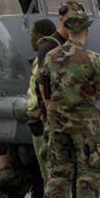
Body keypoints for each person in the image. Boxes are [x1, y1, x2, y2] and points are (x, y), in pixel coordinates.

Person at [39, 9, 100, 198]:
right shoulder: (93, 59)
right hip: (84, 125)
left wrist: (54, 106)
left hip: (57, 122)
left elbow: (42, 87)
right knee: (88, 169)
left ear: (67, 30)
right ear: (86, 30)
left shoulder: (51, 56)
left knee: (58, 170)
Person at [25, 17, 65, 187]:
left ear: (40, 36)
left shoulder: (45, 54)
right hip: (43, 118)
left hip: (42, 120)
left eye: (32, 34)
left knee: (49, 167)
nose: (30, 38)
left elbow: (41, 86)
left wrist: (39, 110)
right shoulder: (51, 54)